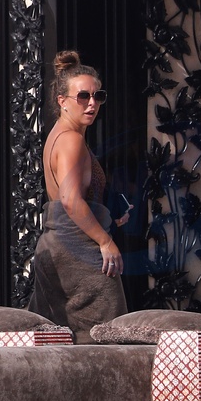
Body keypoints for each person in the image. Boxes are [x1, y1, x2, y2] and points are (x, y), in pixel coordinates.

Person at [28, 50, 130, 342]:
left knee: (62, 342)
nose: (92, 103)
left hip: (58, 246)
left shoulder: (59, 135)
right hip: (77, 250)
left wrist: (107, 215)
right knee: (107, 339)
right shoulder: (71, 140)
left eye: (98, 96)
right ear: (62, 101)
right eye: (83, 96)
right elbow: (71, 200)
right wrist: (105, 241)